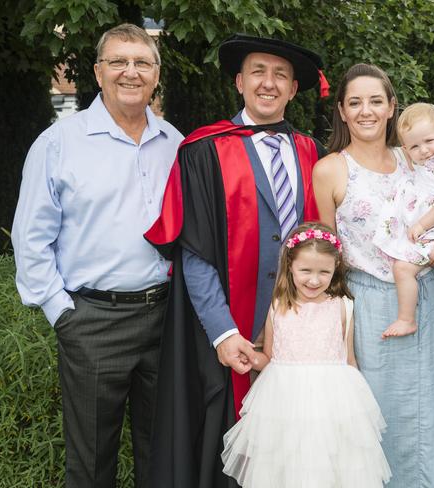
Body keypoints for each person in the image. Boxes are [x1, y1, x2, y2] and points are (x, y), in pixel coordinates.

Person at [143, 34, 327, 487]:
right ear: (240, 82)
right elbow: (195, 252)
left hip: (296, 332)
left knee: (295, 450)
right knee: (228, 452)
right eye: (259, 73)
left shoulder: (310, 151)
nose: (269, 83)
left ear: (293, 89)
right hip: (230, 334)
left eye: (280, 75)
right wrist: (223, 333)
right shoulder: (205, 150)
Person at [11, 24, 183, 488]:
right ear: (98, 72)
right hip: (92, 321)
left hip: (164, 318)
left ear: (156, 73)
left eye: (142, 62)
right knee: (90, 465)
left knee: (162, 454)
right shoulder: (59, 142)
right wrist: (61, 313)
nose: (131, 72)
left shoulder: (176, 143)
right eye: (119, 62)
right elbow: (30, 239)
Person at [313, 63, 434, 488]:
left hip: (425, 298)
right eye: (355, 102)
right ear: (341, 110)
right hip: (369, 305)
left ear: (392, 106)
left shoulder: (415, 157)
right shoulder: (330, 170)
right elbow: (329, 255)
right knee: (375, 415)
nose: (366, 111)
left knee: (429, 413)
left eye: (376, 101)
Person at [220, 222, 391, 488]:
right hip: (284, 401)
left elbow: (348, 359)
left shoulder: (343, 306)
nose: (314, 280)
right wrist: (250, 358)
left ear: (335, 270)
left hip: (332, 403)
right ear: (290, 266)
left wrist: (355, 407)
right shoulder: (278, 306)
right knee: (286, 468)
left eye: (324, 272)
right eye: (306, 271)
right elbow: (268, 357)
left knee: (334, 469)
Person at [373, 102, 434, 338]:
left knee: (402, 269)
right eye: (414, 146)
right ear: (405, 150)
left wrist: (421, 224)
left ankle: (406, 319)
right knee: (398, 264)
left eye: (429, 141)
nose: (423, 150)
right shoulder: (424, 167)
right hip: (428, 231)